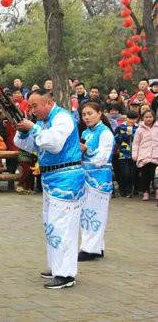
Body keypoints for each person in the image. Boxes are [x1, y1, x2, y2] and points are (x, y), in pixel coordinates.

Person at [14, 89, 84, 289]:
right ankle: (56, 267)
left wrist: (33, 127)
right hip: (50, 177)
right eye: (31, 107)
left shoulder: (63, 117)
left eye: (35, 106)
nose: (32, 110)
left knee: (63, 226)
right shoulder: (44, 122)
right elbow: (29, 145)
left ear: (48, 103)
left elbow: (53, 144)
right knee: (51, 224)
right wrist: (24, 130)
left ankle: (66, 274)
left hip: (66, 178)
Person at [78, 102, 115, 261]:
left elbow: (103, 157)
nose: (86, 117)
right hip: (85, 178)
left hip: (99, 179)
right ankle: (97, 247)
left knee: (95, 213)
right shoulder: (85, 132)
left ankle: (90, 249)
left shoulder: (105, 132)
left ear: (99, 113)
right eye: (84, 114)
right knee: (86, 212)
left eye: (90, 113)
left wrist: (87, 150)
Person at [131, 110, 158, 201]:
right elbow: (136, 143)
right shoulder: (139, 129)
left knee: (155, 175)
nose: (148, 119)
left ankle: (156, 190)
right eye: (146, 117)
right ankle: (145, 192)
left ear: (154, 117)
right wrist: (135, 155)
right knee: (144, 176)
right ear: (142, 118)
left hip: (155, 155)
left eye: (150, 117)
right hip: (144, 156)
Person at [114, 111, 139, 197]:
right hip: (123, 153)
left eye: (134, 119)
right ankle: (122, 190)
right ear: (126, 118)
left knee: (132, 174)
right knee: (125, 173)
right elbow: (117, 140)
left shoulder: (139, 128)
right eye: (130, 118)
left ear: (137, 119)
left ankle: (129, 191)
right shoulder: (120, 127)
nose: (131, 121)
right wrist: (126, 135)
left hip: (135, 153)